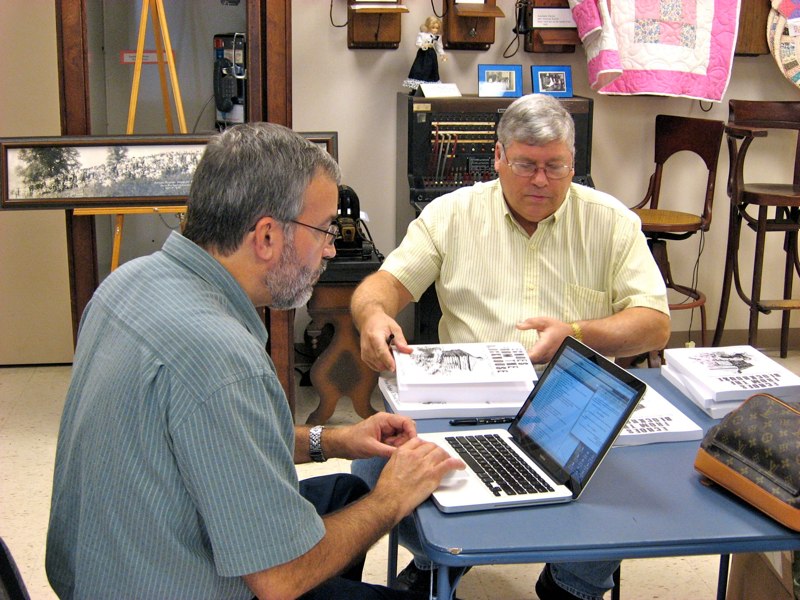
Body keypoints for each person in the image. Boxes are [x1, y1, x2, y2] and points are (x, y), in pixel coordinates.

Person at [45, 122, 464, 600]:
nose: (330, 247)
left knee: (347, 495)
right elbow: (280, 580)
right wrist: (393, 499)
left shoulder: (128, 282)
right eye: (324, 229)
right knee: (371, 512)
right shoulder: (224, 358)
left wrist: (338, 439)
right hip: (172, 583)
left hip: (103, 567)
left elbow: (213, 438)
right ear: (266, 236)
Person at [350, 94, 671, 600]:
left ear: (573, 161)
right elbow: (384, 285)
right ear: (497, 158)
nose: (541, 180)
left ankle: (571, 583)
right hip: (461, 403)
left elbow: (654, 325)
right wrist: (373, 316)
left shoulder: (611, 221)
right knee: (368, 468)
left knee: (631, 481)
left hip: (568, 403)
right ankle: (443, 560)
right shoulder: (451, 214)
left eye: (556, 166)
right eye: (525, 165)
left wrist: (579, 333)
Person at [403, 16, 447, 91]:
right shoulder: (423, 35)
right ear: (428, 26)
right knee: (420, 69)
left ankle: (429, 88)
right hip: (423, 54)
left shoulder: (437, 37)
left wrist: (442, 54)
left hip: (431, 54)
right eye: (433, 27)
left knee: (431, 70)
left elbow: (439, 46)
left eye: (437, 28)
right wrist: (423, 45)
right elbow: (418, 43)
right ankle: (416, 88)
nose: (435, 30)